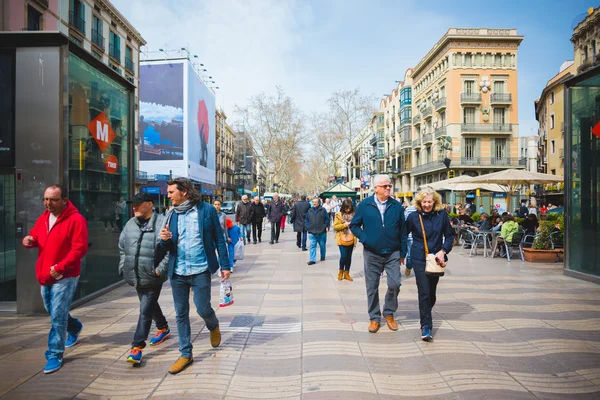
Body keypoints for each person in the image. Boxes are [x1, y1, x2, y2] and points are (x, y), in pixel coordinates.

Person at [159, 178, 230, 375]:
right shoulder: (170, 214)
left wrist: (225, 265)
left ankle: (213, 325)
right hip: (178, 272)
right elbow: (165, 247)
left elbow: (219, 240)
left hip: (200, 270)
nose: (168, 195)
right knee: (180, 314)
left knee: (202, 308)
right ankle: (185, 353)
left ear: (185, 192)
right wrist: (163, 240)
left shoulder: (206, 210)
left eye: (172, 192)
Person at [22, 185, 88, 374]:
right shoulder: (44, 218)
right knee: (52, 310)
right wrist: (30, 240)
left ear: (64, 200)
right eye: (45, 199)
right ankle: (74, 327)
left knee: (57, 315)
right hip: (45, 274)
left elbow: (79, 249)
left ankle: (55, 353)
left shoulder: (76, 220)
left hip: (65, 275)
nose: (48, 203)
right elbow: (36, 235)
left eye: (52, 199)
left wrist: (59, 268)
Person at [349, 175, 407, 334]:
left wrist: (403, 252)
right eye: (384, 186)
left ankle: (388, 312)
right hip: (372, 253)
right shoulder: (365, 205)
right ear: (375, 188)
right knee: (372, 286)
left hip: (393, 252)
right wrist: (365, 238)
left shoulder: (397, 206)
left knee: (395, 284)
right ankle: (374, 318)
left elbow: (403, 230)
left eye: (389, 185)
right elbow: (354, 225)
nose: (388, 188)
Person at [119, 193, 171, 365]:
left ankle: (137, 347)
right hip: (135, 274)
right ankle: (163, 327)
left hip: (152, 275)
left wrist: (160, 270)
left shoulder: (162, 222)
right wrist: (123, 265)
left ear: (149, 204)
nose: (134, 207)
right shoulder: (130, 224)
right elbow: (122, 246)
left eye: (138, 204)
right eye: (133, 204)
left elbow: (170, 249)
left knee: (145, 310)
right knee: (149, 305)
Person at [405, 188, 454, 341]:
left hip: (436, 259)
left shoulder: (442, 215)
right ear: (420, 202)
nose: (427, 204)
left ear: (435, 202)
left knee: (431, 294)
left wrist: (443, 251)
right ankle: (426, 326)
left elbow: (450, 235)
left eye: (429, 202)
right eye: (424, 202)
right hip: (419, 257)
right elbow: (403, 234)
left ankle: (425, 309)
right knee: (424, 291)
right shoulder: (413, 217)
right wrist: (399, 253)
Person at [333, 199, 356, 280]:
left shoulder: (354, 215)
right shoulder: (338, 214)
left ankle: (347, 273)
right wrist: (345, 225)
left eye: (349, 208)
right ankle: (340, 272)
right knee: (344, 256)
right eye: (347, 208)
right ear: (343, 207)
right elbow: (335, 227)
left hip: (351, 237)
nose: (348, 210)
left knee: (349, 257)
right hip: (341, 237)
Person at [305, 197, 329, 265]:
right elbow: (306, 219)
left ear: (319, 203)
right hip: (312, 232)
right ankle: (312, 259)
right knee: (312, 246)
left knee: (322, 245)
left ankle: (323, 256)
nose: (314, 203)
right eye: (313, 202)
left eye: (315, 202)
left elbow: (327, 219)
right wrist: (307, 226)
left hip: (321, 232)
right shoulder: (309, 210)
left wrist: (325, 226)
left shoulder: (323, 210)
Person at [403, 200, 418, 276]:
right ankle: (409, 266)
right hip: (410, 236)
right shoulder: (409, 209)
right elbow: (404, 221)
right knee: (409, 255)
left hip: (421, 237)